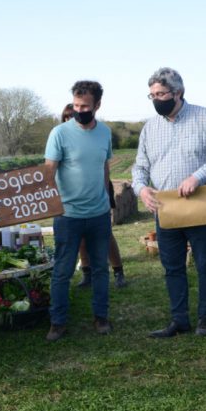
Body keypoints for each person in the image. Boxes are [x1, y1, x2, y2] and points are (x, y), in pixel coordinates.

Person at [132, 67, 206, 338]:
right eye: (152, 95)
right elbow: (139, 167)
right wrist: (141, 189)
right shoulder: (149, 128)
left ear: (178, 93)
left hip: (200, 204)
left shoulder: (204, 117)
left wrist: (198, 176)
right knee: (172, 267)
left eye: (162, 94)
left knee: (205, 265)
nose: (157, 99)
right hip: (166, 208)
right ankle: (179, 320)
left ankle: (205, 318)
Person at [44, 82, 113, 341]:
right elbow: (49, 171)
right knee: (62, 271)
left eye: (85, 106)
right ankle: (57, 322)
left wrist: (107, 198)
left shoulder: (105, 133)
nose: (79, 110)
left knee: (100, 269)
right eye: (75, 105)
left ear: (97, 105)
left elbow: (104, 167)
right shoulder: (59, 133)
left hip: (98, 214)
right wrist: (52, 204)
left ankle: (101, 318)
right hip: (68, 215)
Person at [60, 103, 128, 289]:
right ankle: (87, 273)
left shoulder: (97, 135)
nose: (69, 122)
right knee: (81, 238)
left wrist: (105, 192)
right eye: (66, 119)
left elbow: (104, 165)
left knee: (105, 235)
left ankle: (118, 271)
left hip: (97, 192)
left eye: (71, 117)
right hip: (74, 198)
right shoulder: (60, 138)